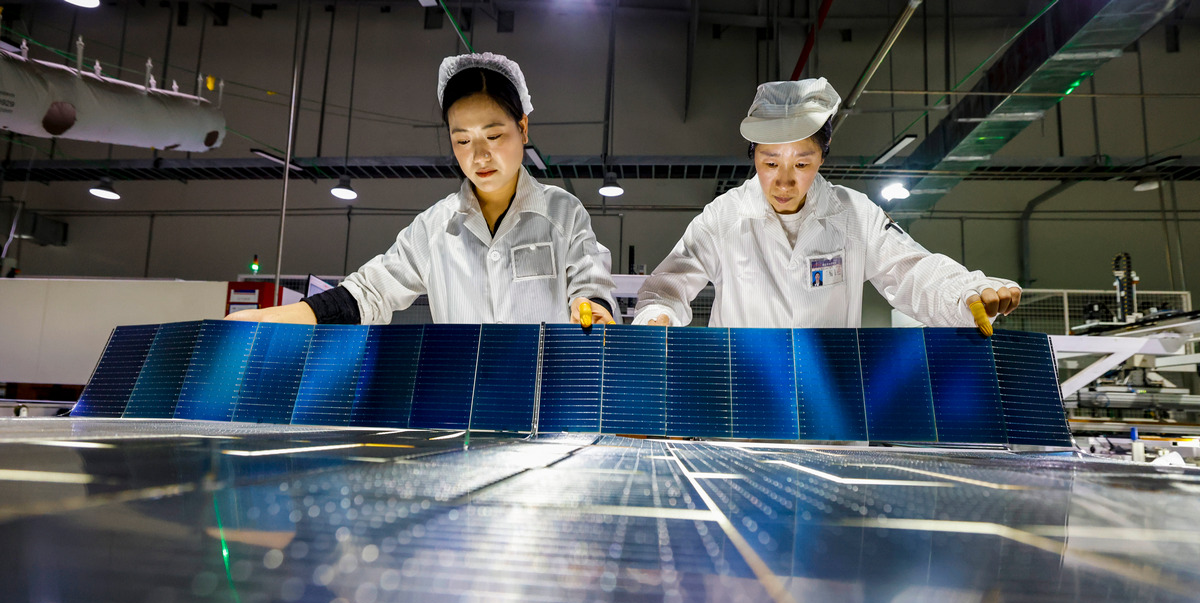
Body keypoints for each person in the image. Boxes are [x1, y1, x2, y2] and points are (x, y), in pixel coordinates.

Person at [227, 52, 617, 326]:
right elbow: (370, 292)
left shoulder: (562, 212)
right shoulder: (435, 228)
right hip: (467, 414)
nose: (479, 155)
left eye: (494, 135)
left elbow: (590, 281)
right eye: (462, 141)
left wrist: (593, 306)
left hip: (548, 412)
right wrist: (287, 315)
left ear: (523, 128)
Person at [632, 78, 1019, 334]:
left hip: (832, 422)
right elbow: (665, 289)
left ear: (822, 158)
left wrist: (966, 292)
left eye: (801, 163)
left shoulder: (854, 215)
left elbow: (912, 272)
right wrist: (657, 319)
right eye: (770, 163)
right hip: (742, 409)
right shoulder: (723, 217)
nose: (784, 180)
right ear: (753, 157)